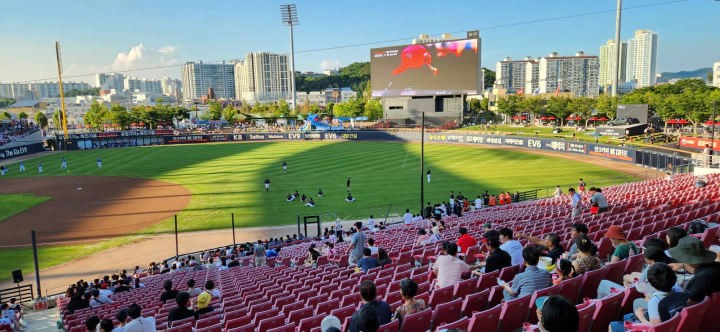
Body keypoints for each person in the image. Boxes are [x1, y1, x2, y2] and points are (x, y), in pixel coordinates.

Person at [609, 263, 678, 330]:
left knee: (613, 326)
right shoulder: (678, 289)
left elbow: (655, 328)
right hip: (670, 323)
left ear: (652, 284)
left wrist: (640, 316)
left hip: (655, 327)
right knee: (627, 316)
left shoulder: (654, 302)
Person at [667, 236, 720, 305]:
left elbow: (691, 305)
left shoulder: (701, 279)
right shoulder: (715, 266)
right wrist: (682, 265)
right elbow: (700, 268)